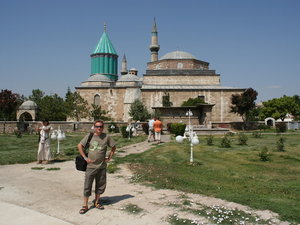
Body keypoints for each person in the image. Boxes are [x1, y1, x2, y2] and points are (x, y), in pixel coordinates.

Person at [77, 120, 116, 214]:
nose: (99, 128)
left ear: (103, 127)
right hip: (90, 166)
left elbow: (113, 147)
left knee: (100, 185)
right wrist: (85, 158)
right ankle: (85, 205)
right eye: (97, 126)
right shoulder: (90, 136)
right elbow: (79, 146)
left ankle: (97, 202)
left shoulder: (106, 137)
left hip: (101, 166)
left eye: (101, 126)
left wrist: (109, 157)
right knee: (87, 185)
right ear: (94, 127)